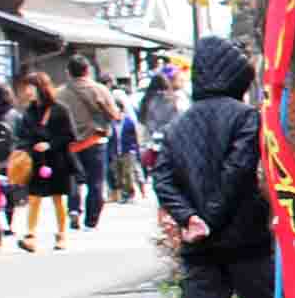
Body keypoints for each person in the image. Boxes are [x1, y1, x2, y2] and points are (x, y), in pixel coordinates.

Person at [151, 37, 274, 298]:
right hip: (246, 241)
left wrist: (191, 219)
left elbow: (163, 178)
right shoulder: (246, 118)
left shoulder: (175, 127)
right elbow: (238, 173)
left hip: (198, 248)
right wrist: (212, 218)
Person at [56, 55, 121, 231]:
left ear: (68, 72)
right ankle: (91, 221)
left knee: (72, 179)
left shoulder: (60, 93)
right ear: (87, 71)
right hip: (95, 140)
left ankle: (74, 210)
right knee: (96, 182)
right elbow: (114, 114)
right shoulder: (100, 90)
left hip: (70, 143)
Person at [12, 70, 74, 251]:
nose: (28, 91)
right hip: (36, 161)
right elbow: (22, 135)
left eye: (31, 87)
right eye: (27, 87)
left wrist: (50, 145)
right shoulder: (29, 112)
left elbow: (69, 135)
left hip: (58, 160)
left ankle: (62, 235)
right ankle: (30, 235)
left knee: (58, 198)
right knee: (33, 198)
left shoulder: (60, 109)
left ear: (41, 87)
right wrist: (26, 149)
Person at [137, 68, 179, 172]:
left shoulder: (146, 100)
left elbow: (143, 121)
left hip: (153, 141)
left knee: (157, 169)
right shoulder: (173, 98)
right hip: (172, 138)